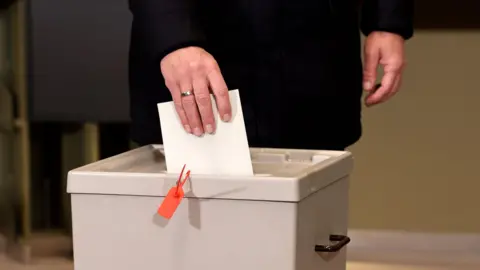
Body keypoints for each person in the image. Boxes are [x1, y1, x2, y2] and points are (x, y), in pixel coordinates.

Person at [128, 0, 413, 150]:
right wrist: (175, 36)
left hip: (315, 43)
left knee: (308, 232)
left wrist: (387, 19)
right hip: (198, 41)